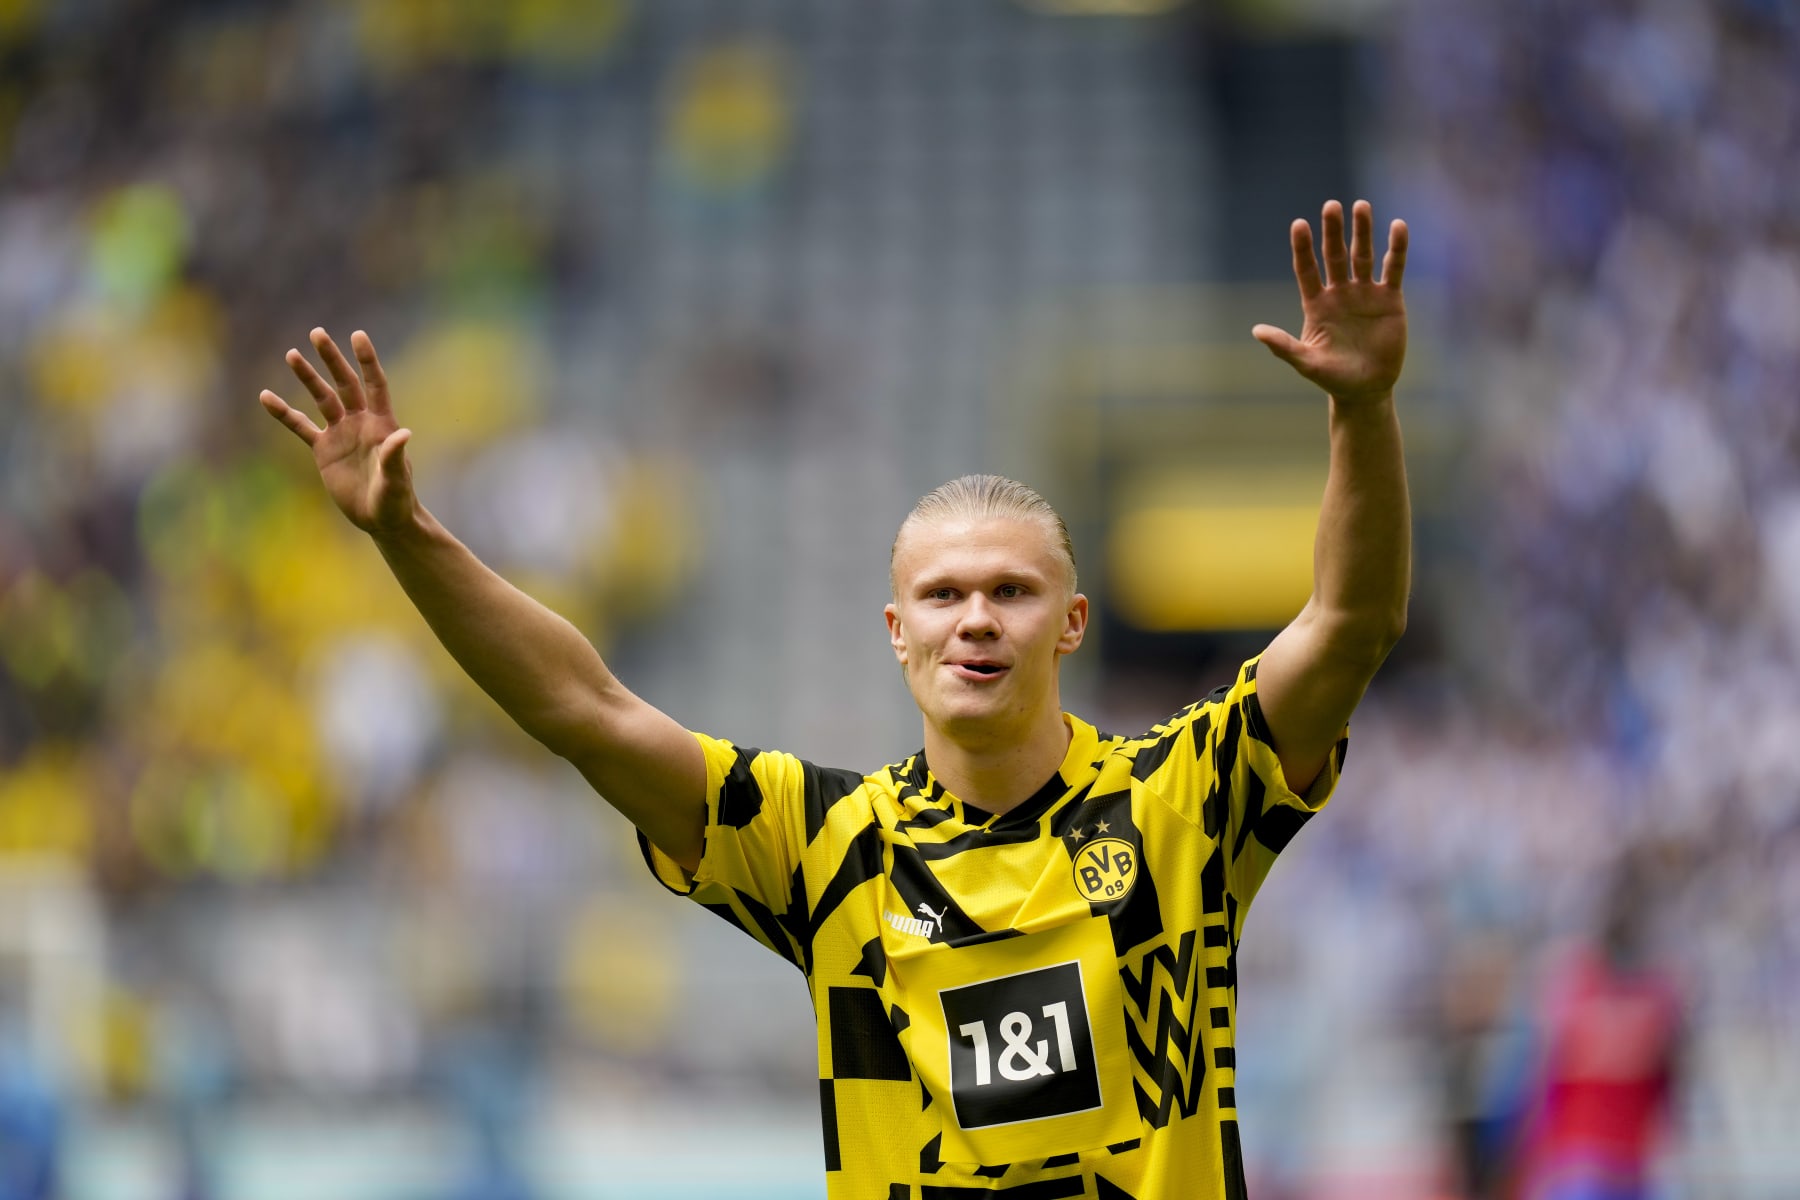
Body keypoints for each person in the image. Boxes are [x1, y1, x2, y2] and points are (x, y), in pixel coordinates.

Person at [259, 199, 1411, 1199]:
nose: (976, 619)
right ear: (897, 631)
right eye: (944, 593)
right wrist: (407, 535)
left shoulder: (1183, 801)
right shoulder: (829, 848)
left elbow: (1348, 627)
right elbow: (587, 710)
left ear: (1071, 623)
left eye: (1012, 591)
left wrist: (1360, 412)